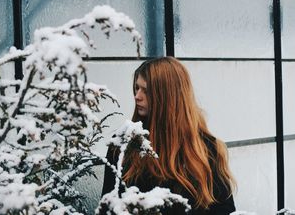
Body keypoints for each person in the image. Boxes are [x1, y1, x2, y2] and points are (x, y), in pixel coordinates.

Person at [101, 57, 236, 214]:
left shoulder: (206, 150)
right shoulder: (123, 146)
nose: (137, 96)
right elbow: (108, 207)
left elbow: (225, 210)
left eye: (146, 90)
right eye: (136, 88)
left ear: (168, 96)